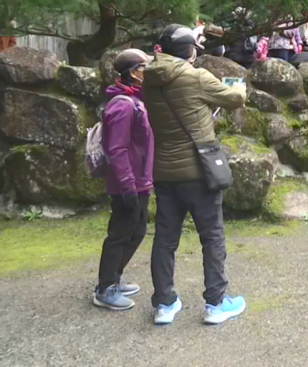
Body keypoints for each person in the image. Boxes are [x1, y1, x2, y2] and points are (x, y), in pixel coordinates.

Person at [143, 25, 248, 326]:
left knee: (165, 239)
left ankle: (165, 303)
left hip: (164, 171)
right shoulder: (196, 77)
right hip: (198, 171)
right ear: (190, 51)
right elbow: (234, 98)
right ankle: (216, 303)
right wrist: (238, 86)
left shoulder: (149, 80)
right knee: (211, 235)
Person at [93, 49, 155, 312]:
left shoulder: (137, 100)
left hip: (140, 181)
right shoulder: (122, 104)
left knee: (137, 230)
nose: (149, 72)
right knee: (119, 234)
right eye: (145, 67)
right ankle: (105, 288)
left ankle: (113, 279)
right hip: (126, 184)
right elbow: (116, 150)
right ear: (133, 72)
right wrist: (128, 184)